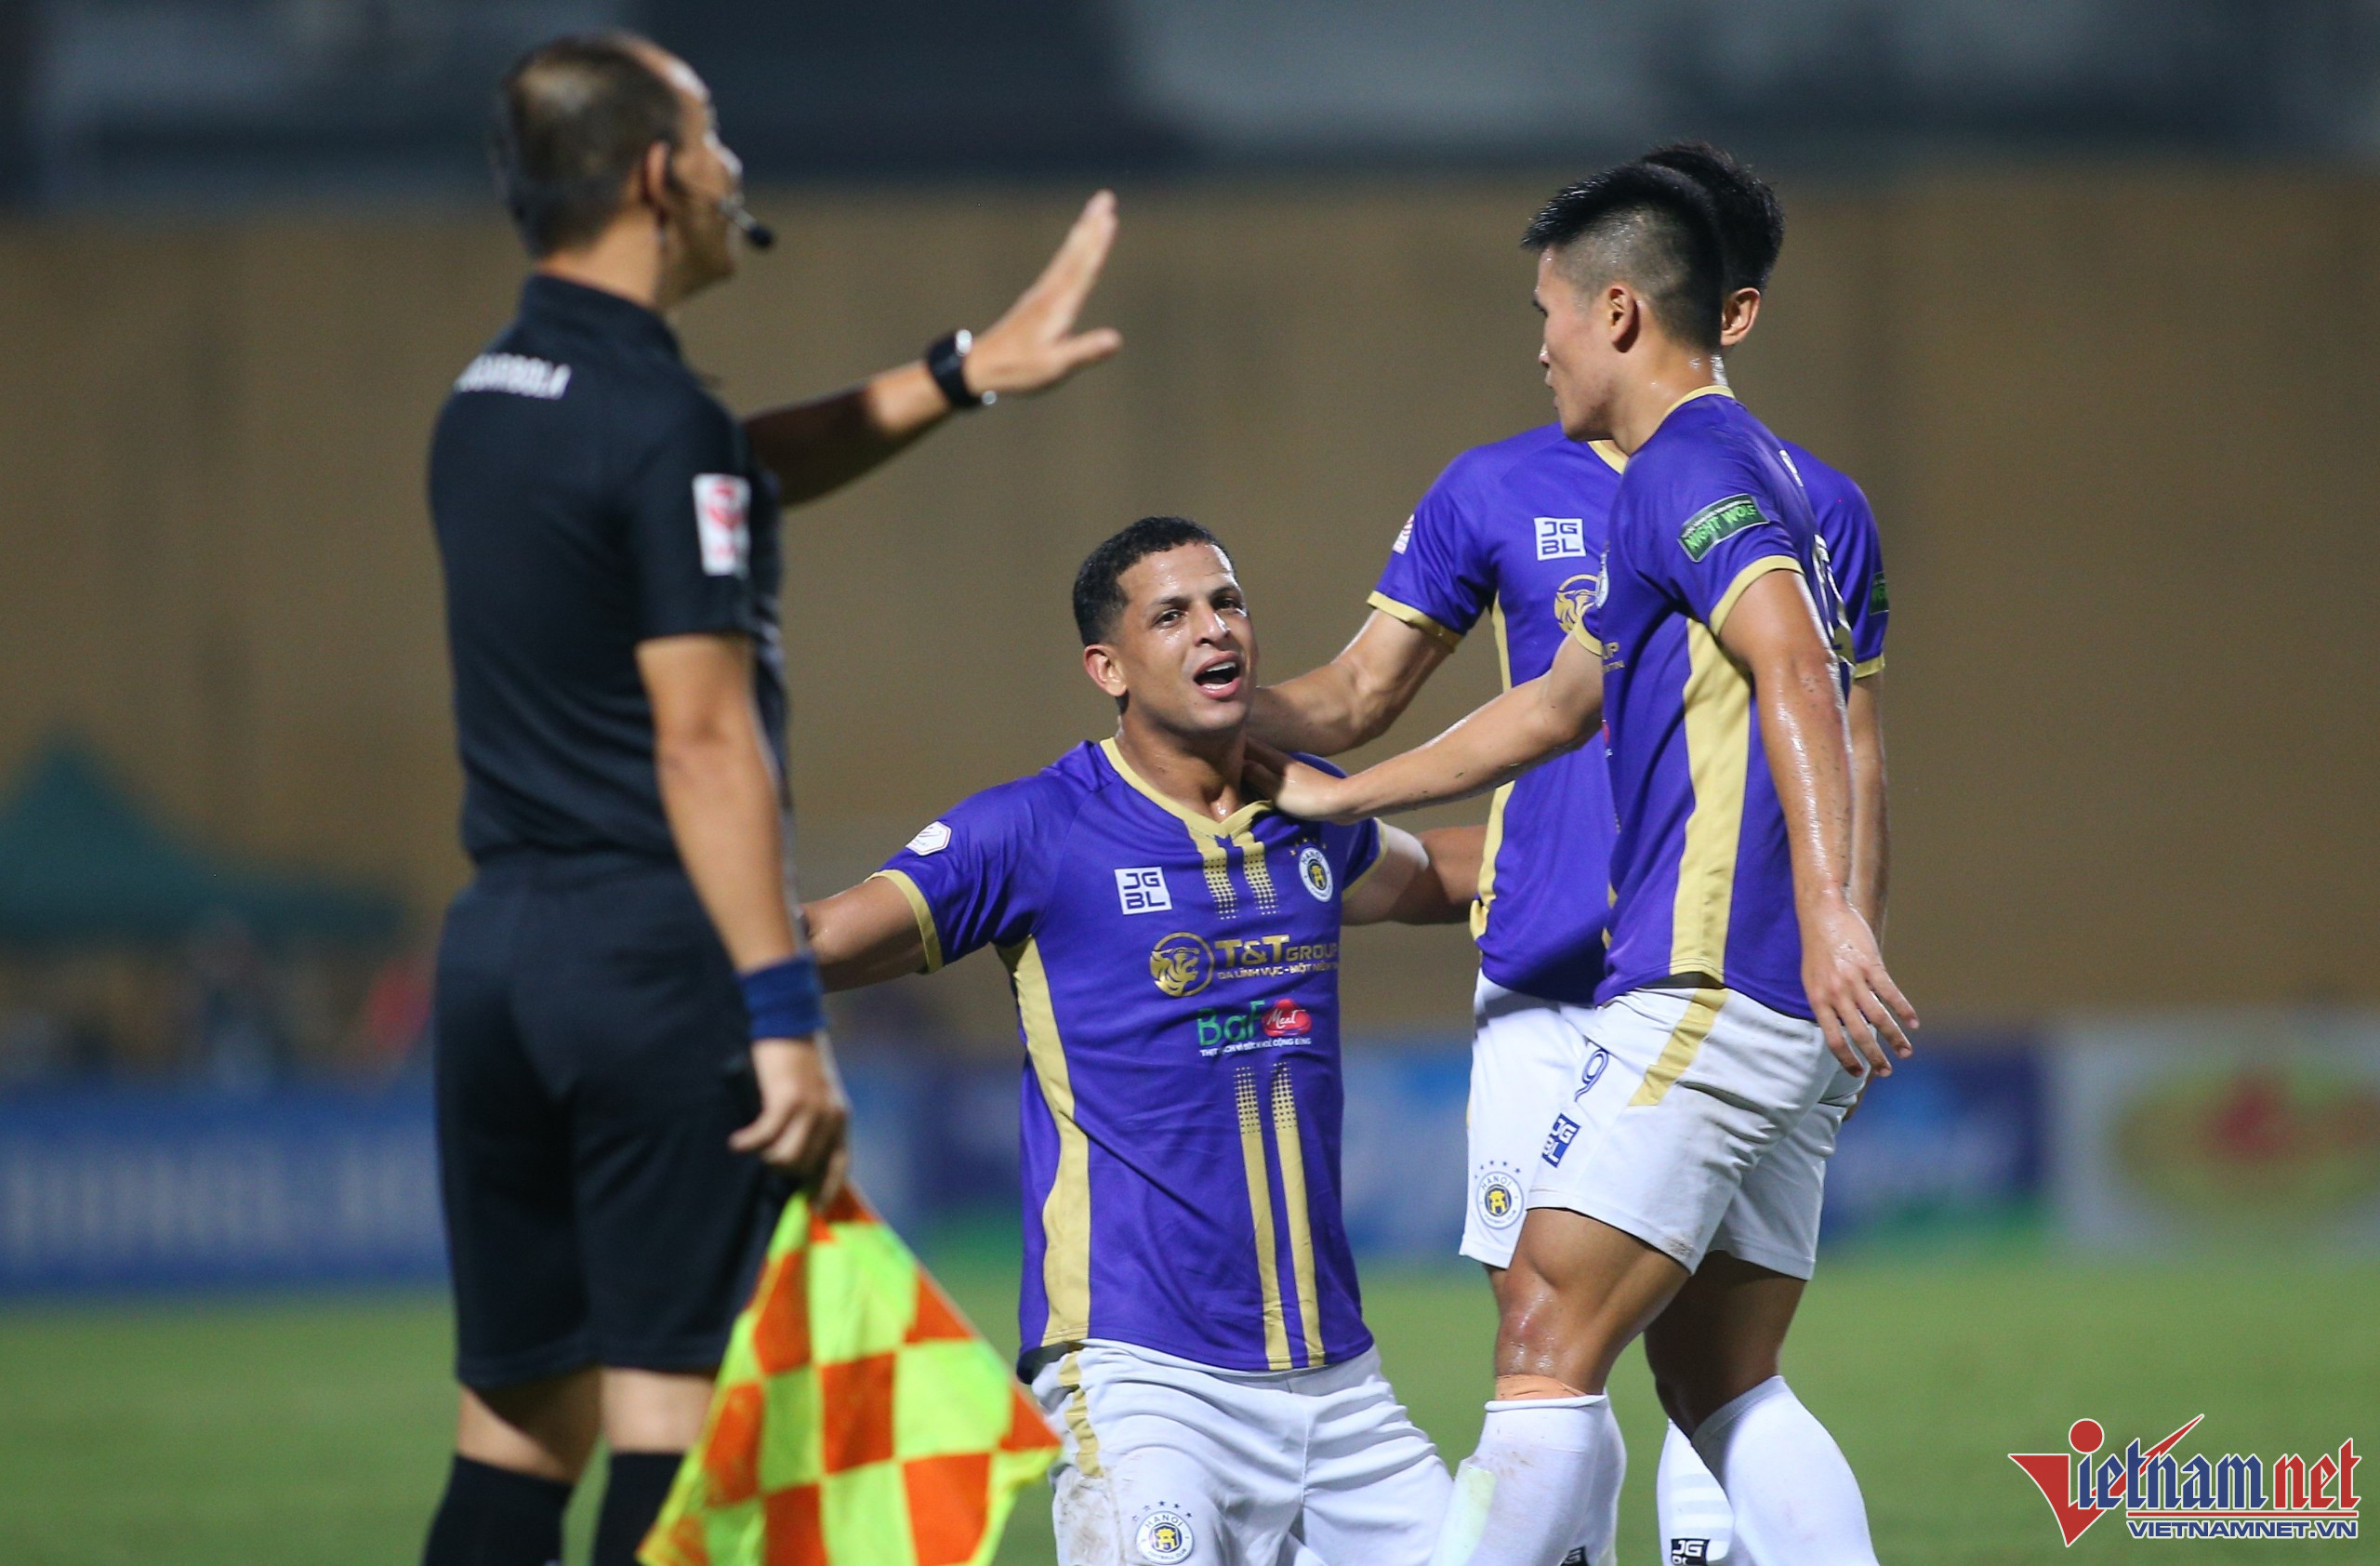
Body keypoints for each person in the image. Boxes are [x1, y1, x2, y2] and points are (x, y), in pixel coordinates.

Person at [423, 32, 1121, 1566]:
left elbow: (717, 470)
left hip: (497, 967)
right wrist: (781, 1013)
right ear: (658, 177)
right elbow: (703, 740)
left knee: (517, 1435)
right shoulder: (656, 423)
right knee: (676, 1430)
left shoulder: (491, 396)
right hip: (643, 974)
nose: (734, 166)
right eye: (711, 134)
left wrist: (954, 376)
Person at [1251, 164, 1915, 1566]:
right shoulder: (1765, 481)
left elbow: (1798, 671)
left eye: (1547, 311)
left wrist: (1829, 921)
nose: (1539, 343)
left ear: (1616, 313)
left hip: (1707, 978)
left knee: (1545, 1335)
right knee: (1719, 1374)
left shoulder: (1689, 466)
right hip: (1766, 995)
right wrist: (1344, 791)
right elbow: (1558, 705)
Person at [800, 516, 1477, 1566]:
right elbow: (819, 940)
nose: (1215, 628)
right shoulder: (1032, 829)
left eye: (1227, 602)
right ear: (1106, 668)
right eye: (1171, 615)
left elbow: (1432, 877)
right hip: (1141, 1377)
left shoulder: (1301, 805)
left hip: (1338, 1387)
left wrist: (1653, 844)